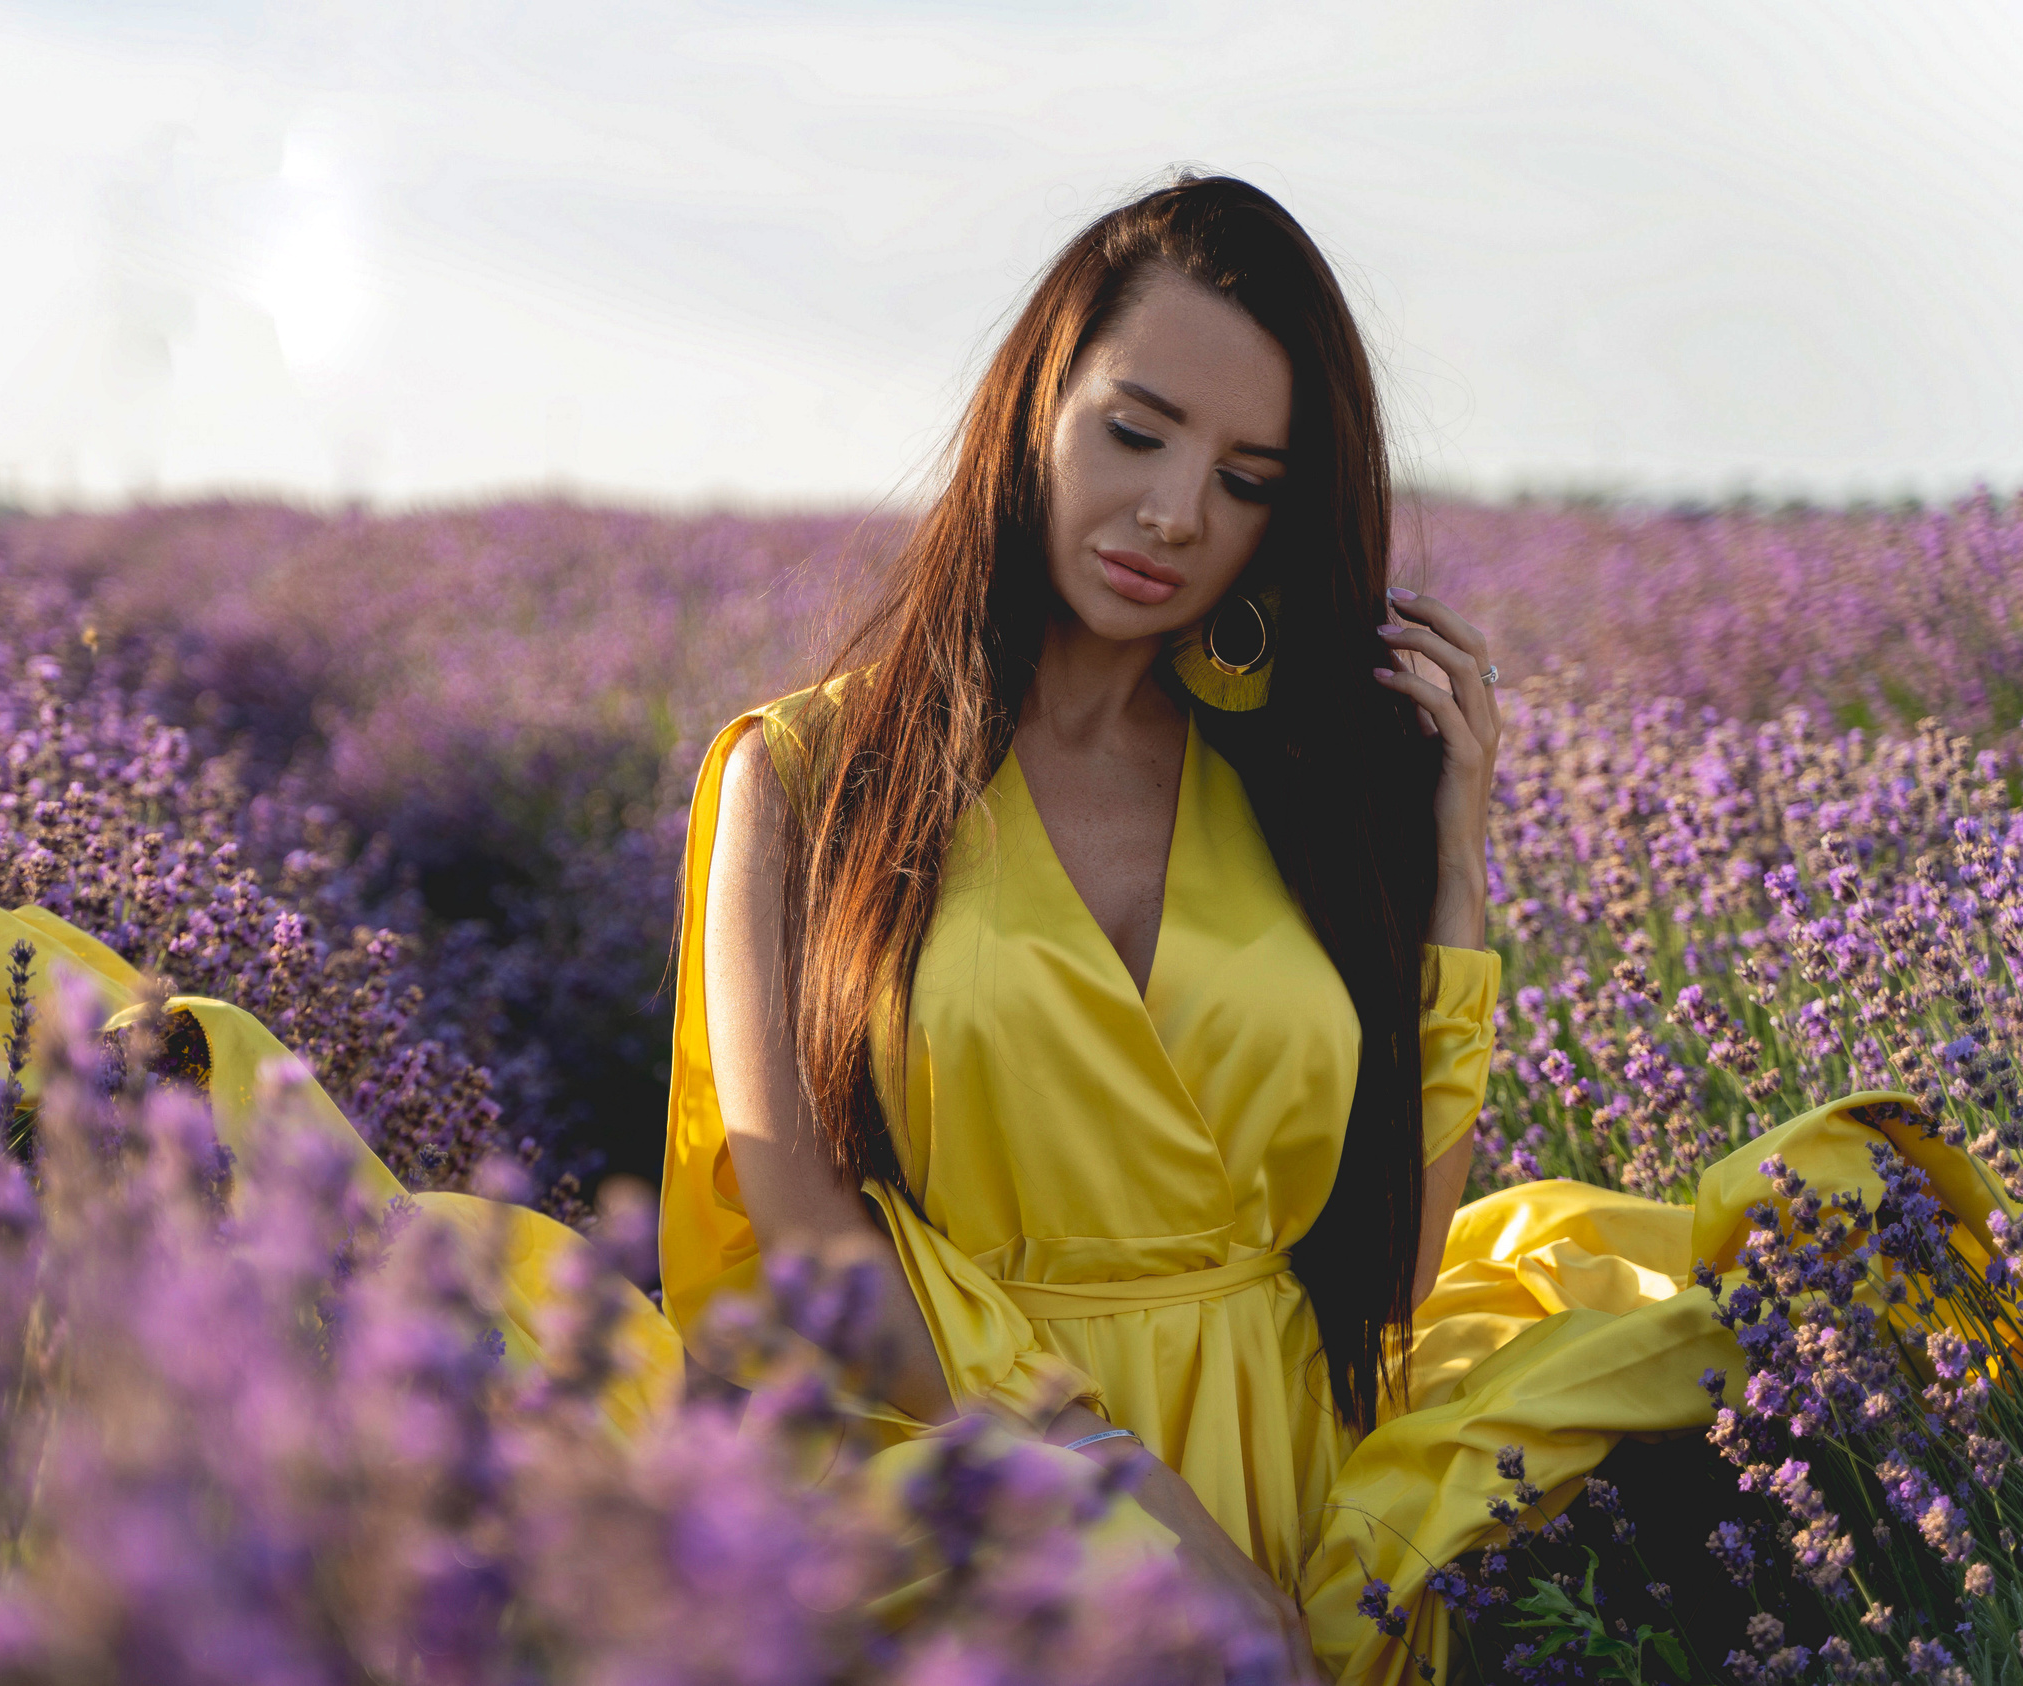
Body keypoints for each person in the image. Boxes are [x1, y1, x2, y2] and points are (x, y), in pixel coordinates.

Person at [653, 174, 2019, 1682]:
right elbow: (794, 1217)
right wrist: (1112, 1493)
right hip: (974, 1485)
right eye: (1136, 428)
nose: (1175, 513)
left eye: (1248, 477)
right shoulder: (804, 771)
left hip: (1288, 1489)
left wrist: (1451, 870)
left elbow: (1388, 1275)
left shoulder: (1294, 785)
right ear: (1032, 405)